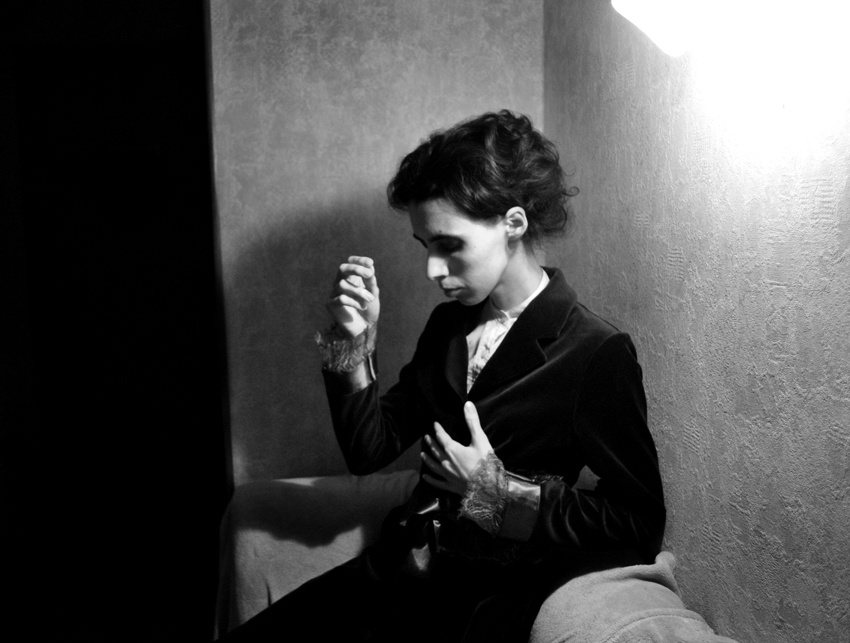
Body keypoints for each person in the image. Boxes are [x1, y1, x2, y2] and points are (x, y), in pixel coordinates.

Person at [218, 110, 666, 642]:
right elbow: (369, 450)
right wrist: (354, 342)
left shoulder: (595, 351)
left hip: (478, 603)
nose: (432, 270)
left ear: (514, 223)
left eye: (449, 245)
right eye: (424, 246)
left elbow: (638, 521)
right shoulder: (447, 325)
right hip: (396, 570)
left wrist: (496, 493)